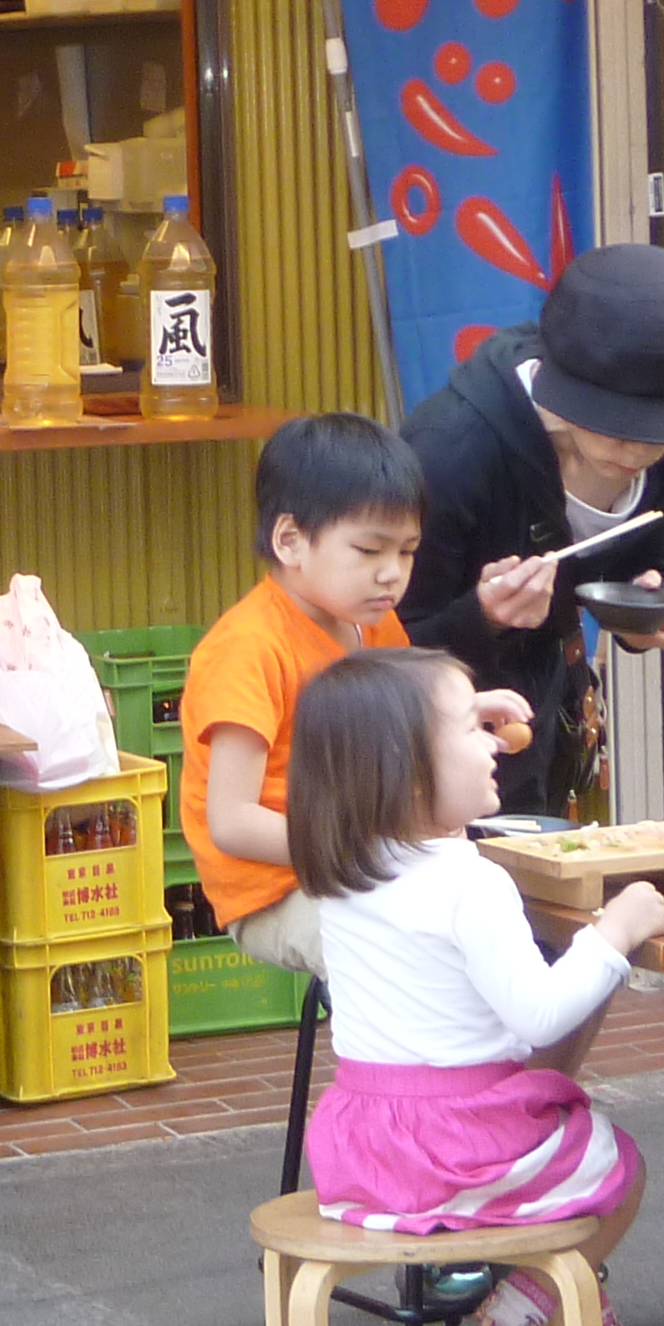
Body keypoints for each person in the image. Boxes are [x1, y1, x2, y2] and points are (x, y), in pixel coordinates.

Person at [291, 645, 664, 1326]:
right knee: (616, 1164)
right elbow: (538, 1015)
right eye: (471, 730)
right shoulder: (472, 881)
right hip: (460, 1150)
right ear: (410, 773)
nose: (495, 744)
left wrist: (457, 712)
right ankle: (514, 1317)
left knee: (554, 1135)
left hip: (365, 1153)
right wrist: (614, 931)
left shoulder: (347, 874)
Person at [399, 245, 664, 816]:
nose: (638, 452)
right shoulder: (451, 453)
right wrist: (482, 617)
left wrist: (646, 610)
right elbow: (383, 646)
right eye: (618, 428)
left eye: (659, 431)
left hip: (553, 720)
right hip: (428, 744)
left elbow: (655, 556)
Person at [177, 413, 442, 978]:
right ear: (290, 541)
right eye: (369, 551)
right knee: (404, 956)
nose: (392, 574)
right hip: (278, 890)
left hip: (364, 861)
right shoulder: (247, 648)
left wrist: (471, 718)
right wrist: (364, 849)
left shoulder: (374, 625)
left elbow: (413, 723)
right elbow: (232, 822)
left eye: (407, 551)